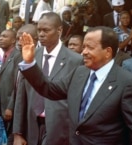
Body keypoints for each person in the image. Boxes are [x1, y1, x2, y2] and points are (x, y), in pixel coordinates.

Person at [19, 26, 132, 144]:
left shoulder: (128, 83)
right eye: (84, 47)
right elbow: (49, 89)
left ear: (108, 52)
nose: (84, 52)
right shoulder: (79, 73)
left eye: (90, 48)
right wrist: (30, 63)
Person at [13, 12, 83, 145]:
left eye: (46, 30)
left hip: (60, 129)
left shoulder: (75, 60)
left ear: (59, 30)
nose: (41, 34)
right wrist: (18, 133)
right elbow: (21, 96)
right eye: (39, 30)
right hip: (32, 127)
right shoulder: (30, 56)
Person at [0, 29, 22, 144]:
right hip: (3, 107)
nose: (0, 38)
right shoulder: (5, 56)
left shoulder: (17, 56)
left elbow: (17, 83)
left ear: (13, 40)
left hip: (11, 107)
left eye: (4, 36)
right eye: (0, 36)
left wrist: (10, 107)